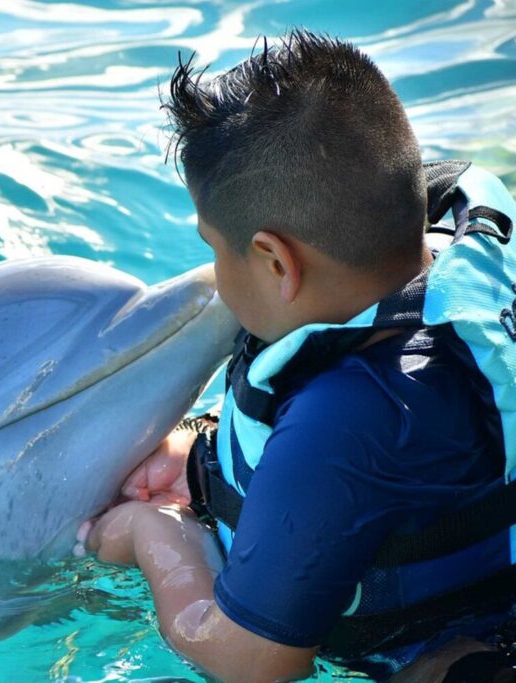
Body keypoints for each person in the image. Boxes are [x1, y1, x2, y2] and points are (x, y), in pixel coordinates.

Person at [78, 30, 516, 682]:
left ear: (277, 261)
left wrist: (158, 537)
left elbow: (253, 660)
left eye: (214, 248)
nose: (213, 274)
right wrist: (201, 461)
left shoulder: (346, 419)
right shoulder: (462, 253)